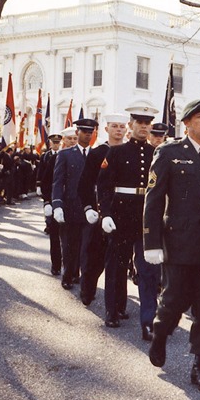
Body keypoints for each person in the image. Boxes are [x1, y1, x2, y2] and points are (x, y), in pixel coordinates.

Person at [143, 98, 200, 392]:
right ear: (187, 124)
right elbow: (154, 199)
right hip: (180, 243)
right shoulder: (169, 153)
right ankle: (160, 333)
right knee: (173, 301)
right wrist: (152, 242)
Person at [97, 108, 160, 336]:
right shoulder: (116, 153)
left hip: (147, 215)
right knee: (116, 264)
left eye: (147, 123)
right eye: (139, 122)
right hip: (121, 213)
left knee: (148, 268)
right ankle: (112, 311)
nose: (143, 127)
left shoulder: (156, 153)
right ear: (131, 125)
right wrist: (105, 214)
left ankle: (149, 319)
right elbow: (104, 187)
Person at [78, 114, 129, 310]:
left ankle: (118, 305)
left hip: (123, 211)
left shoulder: (128, 151)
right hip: (100, 211)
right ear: (106, 129)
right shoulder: (98, 153)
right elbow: (85, 184)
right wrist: (89, 208)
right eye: (114, 126)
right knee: (95, 257)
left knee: (120, 261)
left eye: (122, 126)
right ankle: (87, 289)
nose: (118, 130)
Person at [51, 117, 99, 289]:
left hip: (90, 208)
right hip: (71, 205)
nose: (87, 135)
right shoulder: (65, 154)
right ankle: (68, 273)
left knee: (86, 245)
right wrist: (57, 205)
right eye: (84, 132)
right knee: (69, 243)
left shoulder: (97, 155)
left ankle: (79, 272)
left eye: (90, 132)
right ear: (77, 132)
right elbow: (58, 181)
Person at [38, 133, 63, 276]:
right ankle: (56, 265)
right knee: (54, 233)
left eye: (58, 142)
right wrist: (46, 199)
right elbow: (44, 175)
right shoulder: (49, 157)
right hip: (53, 197)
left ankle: (71, 267)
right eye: (54, 142)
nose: (56, 144)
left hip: (70, 202)